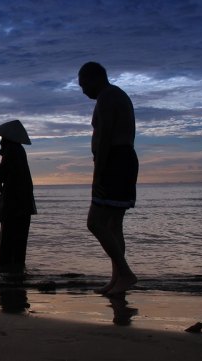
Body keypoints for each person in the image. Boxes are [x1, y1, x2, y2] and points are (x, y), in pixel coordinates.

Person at [78, 61, 139, 295]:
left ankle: (125, 273)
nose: (83, 91)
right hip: (124, 160)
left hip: (115, 162)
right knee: (114, 225)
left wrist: (98, 175)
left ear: (96, 78)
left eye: (84, 85)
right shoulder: (116, 95)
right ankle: (117, 279)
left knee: (94, 222)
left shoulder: (107, 98)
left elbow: (104, 139)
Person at [0, 120, 36, 274]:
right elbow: (5, 171)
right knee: (18, 238)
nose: (1, 144)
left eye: (2, 141)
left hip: (16, 203)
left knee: (9, 235)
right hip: (22, 202)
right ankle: (15, 268)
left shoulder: (12, 150)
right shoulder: (17, 150)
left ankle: (6, 267)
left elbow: (3, 171)